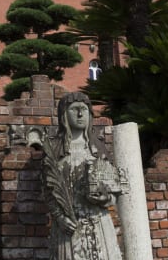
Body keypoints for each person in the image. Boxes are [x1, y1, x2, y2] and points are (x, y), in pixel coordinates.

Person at [42, 92, 123, 259]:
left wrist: (105, 197)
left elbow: (114, 190)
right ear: (64, 114)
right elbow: (47, 189)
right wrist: (59, 217)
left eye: (84, 110)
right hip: (68, 226)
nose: (80, 114)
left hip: (98, 223)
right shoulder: (53, 149)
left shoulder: (98, 148)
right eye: (74, 109)